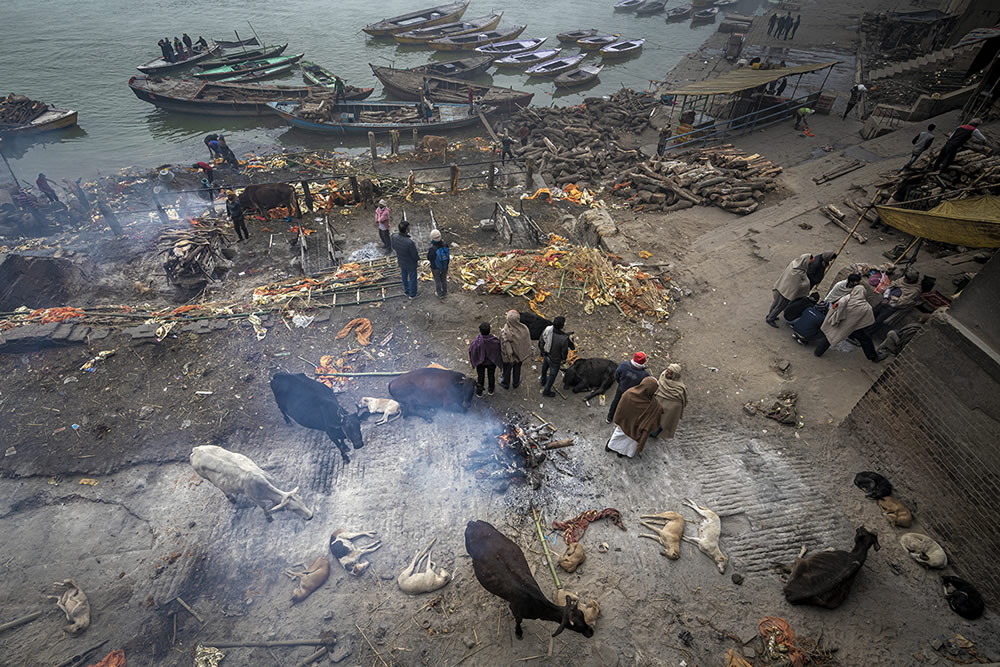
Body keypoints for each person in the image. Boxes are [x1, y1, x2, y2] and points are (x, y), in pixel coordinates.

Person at [814, 285, 878, 361]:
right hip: (850, 327)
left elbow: (834, 308)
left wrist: (834, 317)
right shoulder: (866, 307)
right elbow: (869, 319)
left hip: (837, 321)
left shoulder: (845, 299)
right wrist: (857, 324)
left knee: (830, 336)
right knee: (865, 339)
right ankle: (873, 357)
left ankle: (818, 352)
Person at [606, 377, 663, 459]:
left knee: (618, 436)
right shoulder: (656, 406)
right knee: (630, 443)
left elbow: (620, 408)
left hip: (624, 424)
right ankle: (622, 453)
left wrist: (618, 420)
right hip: (637, 431)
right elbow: (653, 422)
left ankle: (611, 447)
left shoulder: (629, 393)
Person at [766, 252, 813, 326]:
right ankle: (770, 318)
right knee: (780, 306)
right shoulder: (798, 272)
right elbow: (796, 285)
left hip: (782, 286)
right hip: (787, 292)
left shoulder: (793, 264)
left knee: (776, 302)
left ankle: (770, 315)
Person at [605, 352, 650, 424]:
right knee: (627, 407)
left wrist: (621, 383)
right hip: (632, 393)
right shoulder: (645, 375)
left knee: (616, 402)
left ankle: (609, 418)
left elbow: (617, 375)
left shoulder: (624, 365)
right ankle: (620, 422)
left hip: (621, 388)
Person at [650, 364, 687, 439]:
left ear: (675, 375)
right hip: (656, 406)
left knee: (662, 422)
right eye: (667, 371)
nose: (667, 373)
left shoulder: (679, 389)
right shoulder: (663, 377)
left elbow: (682, 401)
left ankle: (654, 433)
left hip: (667, 411)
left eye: (669, 373)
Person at [540, 316, 574, 397]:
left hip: (546, 355)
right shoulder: (563, 339)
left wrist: (543, 352)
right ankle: (546, 390)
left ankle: (543, 380)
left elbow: (541, 341)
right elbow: (564, 352)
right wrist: (563, 359)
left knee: (544, 368)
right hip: (555, 360)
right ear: (562, 326)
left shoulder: (547, 329)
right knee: (552, 376)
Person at [499, 310, 531, 390]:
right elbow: (527, 343)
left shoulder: (504, 333)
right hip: (519, 356)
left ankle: (505, 383)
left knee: (506, 370)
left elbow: (505, 347)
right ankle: (515, 383)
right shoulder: (524, 329)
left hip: (508, 358)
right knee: (517, 369)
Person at [469, 322, 502, 397]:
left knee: (480, 377)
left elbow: (472, 351)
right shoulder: (495, 341)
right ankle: (491, 390)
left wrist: (475, 360)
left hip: (480, 363)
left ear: (480, 331)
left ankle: (479, 392)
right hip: (491, 363)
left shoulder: (476, 342)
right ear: (489, 330)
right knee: (491, 376)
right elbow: (498, 351)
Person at [392, 220, 419, 298]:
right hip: (410, 263)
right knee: (412, 278)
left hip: (401, 260)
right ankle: (413, 294)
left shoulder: (394, 236)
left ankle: (406, 290)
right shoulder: (409, 243)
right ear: (407, 230)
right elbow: (414, 255)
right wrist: (417, 259)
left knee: (404, 275)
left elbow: (393, 247)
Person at [427, 228, 450, 298]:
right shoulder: (445, 245)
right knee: (443, 279)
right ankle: (445, 292)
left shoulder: (432, 249)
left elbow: (429, 258)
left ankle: (439, 293)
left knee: (438, 281)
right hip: (445, 266)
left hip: (435, 267)